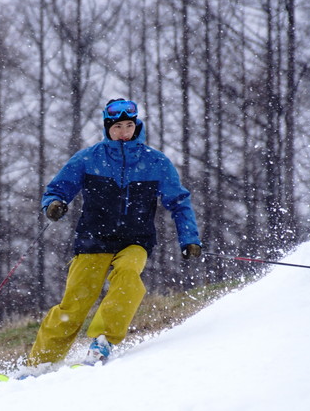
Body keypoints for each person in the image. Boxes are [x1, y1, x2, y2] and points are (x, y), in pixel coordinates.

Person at [25, 98, 202, 372]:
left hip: (135, 241)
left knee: (128, 274)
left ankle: (103, 340)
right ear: (108, 127)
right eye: (118, 126)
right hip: (93, 240)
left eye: (129, 125)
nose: (124, 132)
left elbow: (179, 202)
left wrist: (190, 239)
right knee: (74, 304)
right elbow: (57, 189)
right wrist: (54, 205)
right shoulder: (88, 158)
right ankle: (38, 365)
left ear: (137, 126)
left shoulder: (155, 162)